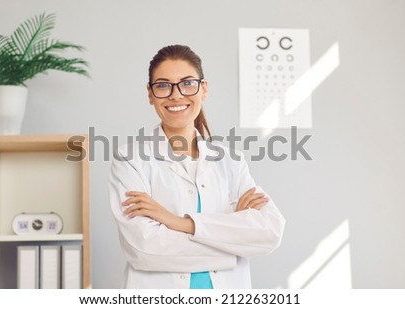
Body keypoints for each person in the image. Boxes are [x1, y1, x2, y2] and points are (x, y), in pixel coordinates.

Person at [109, 44, 285, 289]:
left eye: (187, 83)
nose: (176, 95)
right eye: (162, 85)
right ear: (150, 94)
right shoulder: (130, 159)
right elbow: (145, 249)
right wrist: (232, 244)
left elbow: (269, 233)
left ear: (204, 89)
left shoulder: (230, 161)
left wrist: (177, 222)